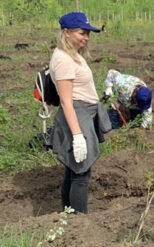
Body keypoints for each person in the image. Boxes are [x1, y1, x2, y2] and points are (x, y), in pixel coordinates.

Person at [49, 12, 109, 214]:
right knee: (81, 173)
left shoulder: (73, 55)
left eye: (88, 33)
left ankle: (69, 218)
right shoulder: (64, 59)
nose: (86, 38)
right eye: (82, 33)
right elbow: (66, 101)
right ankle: (79, 222)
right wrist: (77, 136)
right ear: (66, 32)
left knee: (73, 170)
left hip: (84, 113)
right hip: (77, 115)